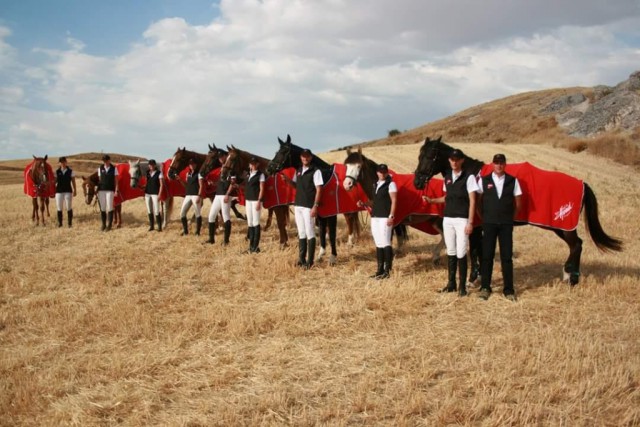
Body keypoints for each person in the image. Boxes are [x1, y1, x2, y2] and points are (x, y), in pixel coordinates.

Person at [424, 148, 479, 296]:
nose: (454, 162)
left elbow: (473, 201)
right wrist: (432, 200)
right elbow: (447, 197)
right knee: (451, 251)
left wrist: (470, 222)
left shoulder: (469, 177)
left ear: (462, 161)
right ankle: (451, 284)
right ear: (449, 161)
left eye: (457, 159)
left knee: (461, 251)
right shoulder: (447, 177)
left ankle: (462, 287)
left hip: (462, 219)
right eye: (452, 159)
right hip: (448, 218)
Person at [477, 154, 522, 301]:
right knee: (487, 256)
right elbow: (478, 202)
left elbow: (518, 204)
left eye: (501, 162)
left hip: (506, 224)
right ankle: (485, 287)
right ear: (492, 164)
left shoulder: (512, 181)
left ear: (505, 164)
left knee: (507, 257)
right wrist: (483, 217)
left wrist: (510, 218)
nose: (499, 165)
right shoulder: (484, 180)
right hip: (489, 223)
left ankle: (508, 290)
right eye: (496, 162)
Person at [282, 148, 323, 269]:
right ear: (301, 157)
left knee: (310, 233)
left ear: (311, 157)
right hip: (298, 205)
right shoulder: (298, 170)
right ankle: (301, 259)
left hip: (309, 206)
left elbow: (319, 189)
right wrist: (288, 181)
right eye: (303, 156)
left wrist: (315, 206)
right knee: (301, 233)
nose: (305, 158)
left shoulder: (316, 171)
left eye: (307, 156)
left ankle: (310, 261)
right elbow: (296, 185)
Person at [358, 164, 397, 279]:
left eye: (384, 172)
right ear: (377, 172)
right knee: (378, 243)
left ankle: (387, 271)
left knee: (386, 242)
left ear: (387, 172)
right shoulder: (375, 184)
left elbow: (394, 201)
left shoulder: (391, 184)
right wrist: (364, 204)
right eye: (380, 171)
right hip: (375, 217)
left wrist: (391, 216)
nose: (382, 173)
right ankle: (380, 269)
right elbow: (374, 201)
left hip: (385, 217)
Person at [244, 156, 266, 253]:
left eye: (254, 164)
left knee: (256, 222)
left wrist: (259, 200)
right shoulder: (249, 175)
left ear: (257, 164)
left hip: (255, 201)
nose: (252, 165)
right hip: (248, 200)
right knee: (250, 223)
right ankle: (251, 246)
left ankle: (255, 247)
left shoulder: (260, 175)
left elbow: (262, 189)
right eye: (251, 164)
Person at [179, 159, 203, 236]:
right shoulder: (188, 174)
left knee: (197, 214)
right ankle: (186, 231)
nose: (192, 165)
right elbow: (186, 186)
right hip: (188, 195)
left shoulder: (199, 174)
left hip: (196, 195)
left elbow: (201, 185)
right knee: (182, 213)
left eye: (193, 164)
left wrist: (199, 195)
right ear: (189, 165)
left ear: (195, 165)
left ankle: (197, 232)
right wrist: (180, 180)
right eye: (190, 164)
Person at [97, 154, 119, 231]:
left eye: (106, 160)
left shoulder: (114, 168)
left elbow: (116, 180)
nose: (105, 162)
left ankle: (109, 225)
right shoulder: (100, 168)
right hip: (101, 190)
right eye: (104, 161)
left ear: (109, 160)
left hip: (110, 190)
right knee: (102, 208)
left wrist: (116, 190)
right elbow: (100, 180)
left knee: (110, 207)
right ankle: (103, 224)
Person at [54, 156, 76, 227]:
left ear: (66, 162)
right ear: (59, 163)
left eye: (64, 162)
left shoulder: (71, 171)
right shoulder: (57, 172)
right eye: (61, 162)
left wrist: (75, 190)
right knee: (59, 207)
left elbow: (73, 181)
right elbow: (54, 182)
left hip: (68, 191)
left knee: (68, 207)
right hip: (59, 191)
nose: (63, 163)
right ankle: (60, 223)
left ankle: (70, 223)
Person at [144, 159, 164, 232]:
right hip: (147, 193)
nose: (151, 166)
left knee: (156, 210)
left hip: (155, 194)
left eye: (152, 164)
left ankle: (159, 227)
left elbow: (161, 185)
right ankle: (151, 226)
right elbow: (147, 182)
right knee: (149, 210)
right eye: (150, 165)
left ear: (155, 165)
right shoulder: (147, 173)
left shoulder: (159, 173)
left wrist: (159, 194)